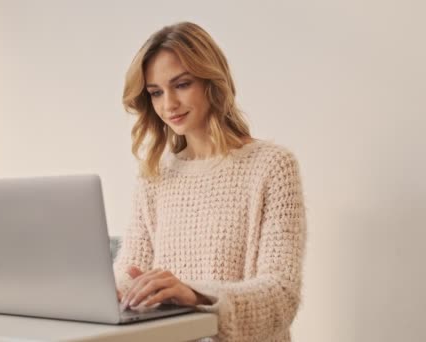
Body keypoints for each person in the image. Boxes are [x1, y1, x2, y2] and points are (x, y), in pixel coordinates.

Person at [113, 21, 307, 342]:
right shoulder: (155, 176)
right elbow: (129, 270)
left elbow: (281, 294)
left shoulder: (271, 166)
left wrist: (196, 295)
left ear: (211, 82)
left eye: (182, 84)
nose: (168, 105)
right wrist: (108, 290)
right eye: (156, 93)